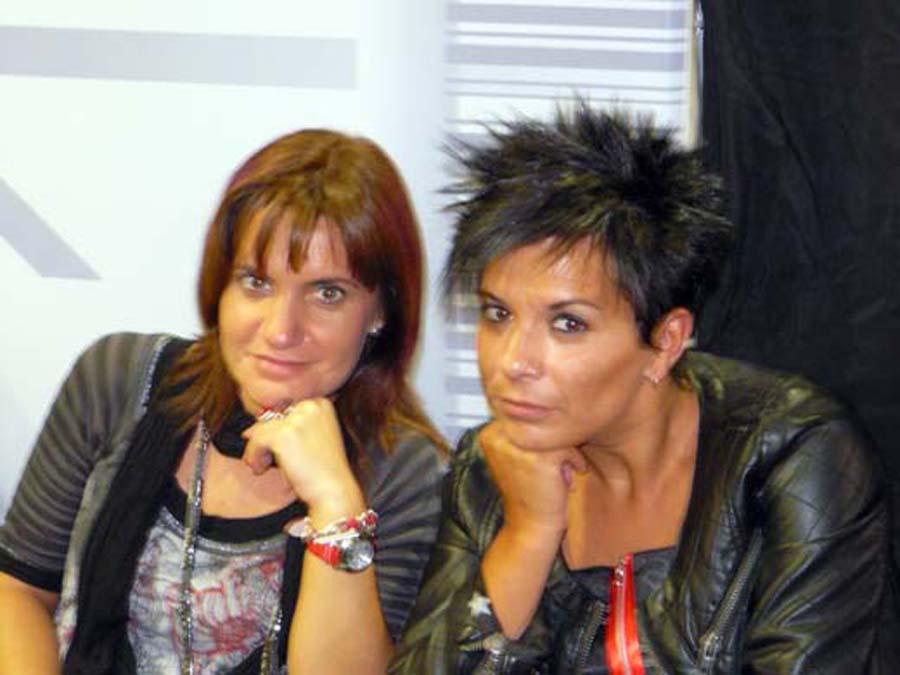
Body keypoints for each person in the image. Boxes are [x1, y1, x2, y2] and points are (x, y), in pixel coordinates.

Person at [390, 105, 897, 673]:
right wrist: (526, 537)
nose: (513, 362)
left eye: (568, 324)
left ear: (665, 341)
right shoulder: (489, 470)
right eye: (497, 313)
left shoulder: (789, 458)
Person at [0, 128, 447, 674]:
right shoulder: (118, 380)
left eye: (327, 293)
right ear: (221, 286)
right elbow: (19, 589)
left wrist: (336, 505)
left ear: (381, 312)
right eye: (257, 283)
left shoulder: (405, 470)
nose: (281, 330)